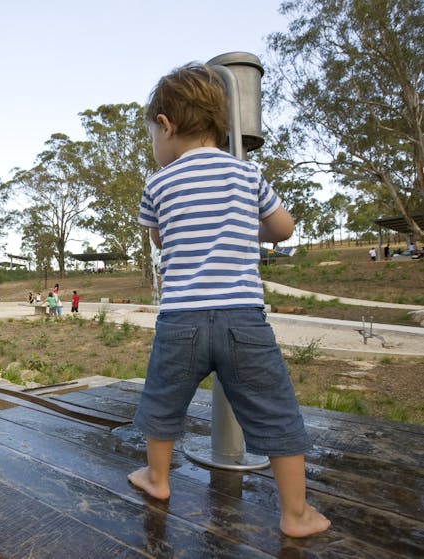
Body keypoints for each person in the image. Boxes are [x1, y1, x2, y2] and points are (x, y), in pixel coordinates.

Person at [127, 63, 330, 539]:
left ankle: (157, 479)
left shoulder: (158, 184)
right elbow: (283, 229)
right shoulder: (247, 174)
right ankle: (296, 513)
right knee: (275, 409)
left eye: (151, 136)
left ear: (165, 125)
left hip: (181, 320)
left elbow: (159, 239)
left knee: (162, 401)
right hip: (243, 318)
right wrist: (246, 227)